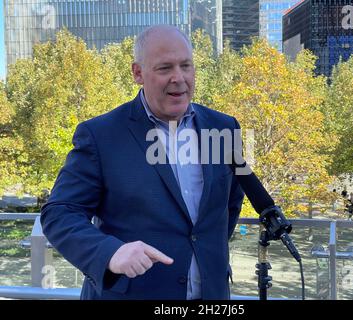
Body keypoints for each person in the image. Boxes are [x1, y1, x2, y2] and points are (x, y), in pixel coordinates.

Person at [40, 25, 245, 300]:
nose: (179, 78)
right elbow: (59, 213)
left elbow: (230, 205)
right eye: (164, 68)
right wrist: (110, 252)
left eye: (186, 65)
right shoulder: (100, 135)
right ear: (138, 73)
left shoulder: (225, 127)